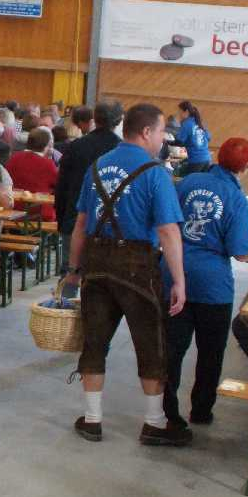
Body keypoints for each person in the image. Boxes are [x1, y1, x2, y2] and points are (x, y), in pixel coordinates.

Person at [60, 103, 189, 447]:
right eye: (161, 132)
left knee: (94, 341)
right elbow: (168, 231)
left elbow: (81, 225)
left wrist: (73, 270)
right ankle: (154, 422)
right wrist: (179, 280)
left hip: (96, 262)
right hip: (137, 264)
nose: (163, 139)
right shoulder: (155, 172)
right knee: (150, 343)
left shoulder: (97, 166)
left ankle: (92, 419)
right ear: (146, 132)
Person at [163, 137, 248, 429]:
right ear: (246, 167)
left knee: (171, 350)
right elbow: (239, 249)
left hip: (174, 274)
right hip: (213, 285)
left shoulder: (188, 182)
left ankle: (166, 409)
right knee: (210, 353)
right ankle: (201, 410)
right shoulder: (236, 198)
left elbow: (167, 221)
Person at [55, 99, 123, 248]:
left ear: (94, 118)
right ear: (119, 121)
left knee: (71, 262)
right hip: (110, 225)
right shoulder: (122, 150)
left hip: (74, 219)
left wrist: (62, 220)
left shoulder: (75, 147)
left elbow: (62, 186)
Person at [7, 127, 60, 219]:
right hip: (38, 212)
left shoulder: (13, 158)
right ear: (47, 145)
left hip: (14, 209)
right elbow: (58, 184)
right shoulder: (47, 164)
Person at [170, 101, 211, 177]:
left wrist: (167, 142)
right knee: (201, 182)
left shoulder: (187, 123)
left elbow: (179, 142)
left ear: (186, 112)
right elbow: (208, 138)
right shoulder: (200, 122)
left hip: (196, 160)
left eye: (180, 112)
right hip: (207, 159)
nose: (179, 115)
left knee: (189, 181)